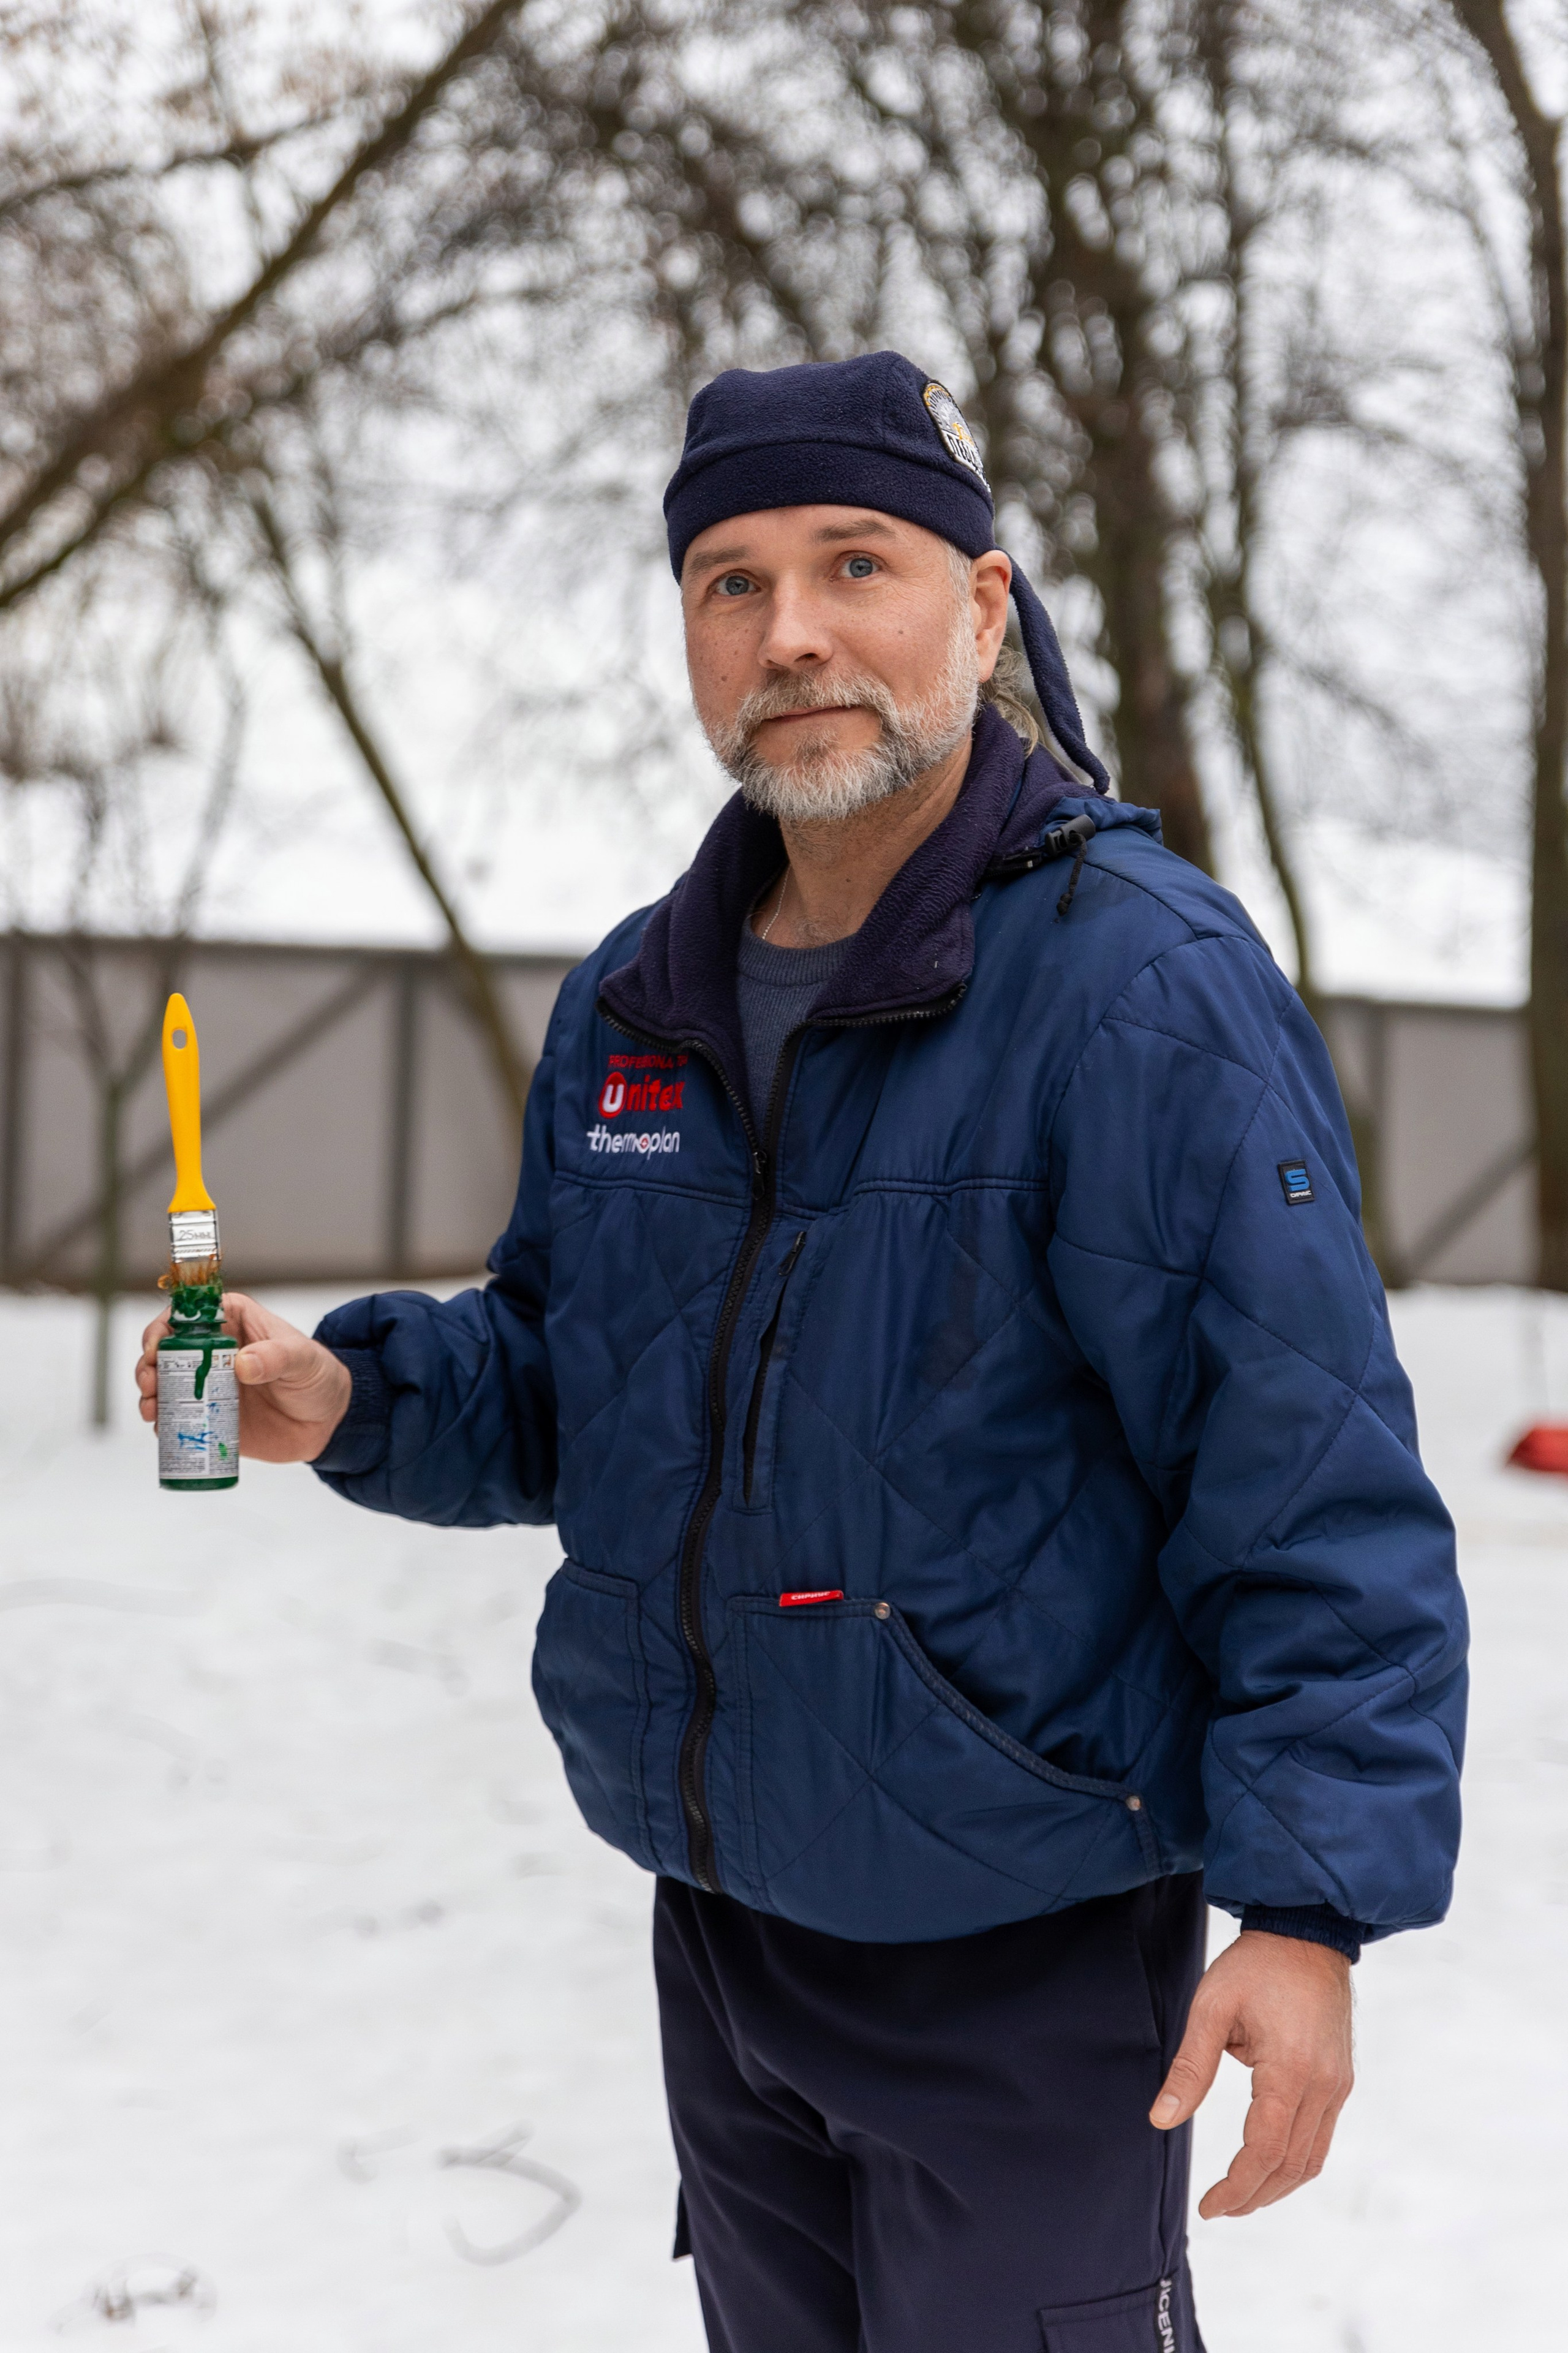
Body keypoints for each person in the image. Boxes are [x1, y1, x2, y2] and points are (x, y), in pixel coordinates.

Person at [137, 352, 1467, 2353]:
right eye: (731, 583)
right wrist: (357, 1393)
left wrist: (1306, 1908)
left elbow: (1305, 1469)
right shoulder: (639, 1002)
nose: (795, 632)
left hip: (1025, 1942)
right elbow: (586, 1374)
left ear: (985, 606)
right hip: (732, 1920)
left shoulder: (1138, 989)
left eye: (857, 562)